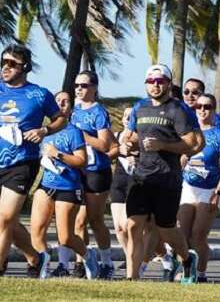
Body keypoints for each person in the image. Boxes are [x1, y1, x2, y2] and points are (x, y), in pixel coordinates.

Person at [0, 44, 65, 278]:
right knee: (2, 220)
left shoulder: (39, 94)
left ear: (25, 67)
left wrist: (44, 130)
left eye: (12, 63)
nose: (5, 67)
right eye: (3, 62)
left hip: (24, 161)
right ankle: (36, 257)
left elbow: (61, 119)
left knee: (7, 218)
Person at [120, 63, 202, 283]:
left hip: (167, 177)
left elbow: (191, 144)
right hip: (141, 175)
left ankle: (186, 259)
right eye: (151, 81)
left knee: (164, 228)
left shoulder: (178, 109)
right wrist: (127, 145)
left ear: (168, 83)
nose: (155, 85)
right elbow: (130, 136)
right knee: (133, 225)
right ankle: (132, 278)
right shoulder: (139, 107)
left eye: (160, 81)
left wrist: (162, 145)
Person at [29, 91, 100, 279]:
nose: (61, 104)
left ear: (70, 108)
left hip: (68, 187)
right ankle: (42, 270)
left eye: (66, 102)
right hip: (46, 185)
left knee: (65, 238)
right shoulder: (42, 131)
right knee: (36, 231)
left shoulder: (74, 132)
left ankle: (87, 255)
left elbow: (82, 161)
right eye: (57, 101)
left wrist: (57, 154)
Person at [179, 93, 220, 283]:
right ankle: (186, 272)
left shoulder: (219, 134)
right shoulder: (188, 131)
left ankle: (201, 274)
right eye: (198, 106)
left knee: (197, 236)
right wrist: (181, 160)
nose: (202, 110)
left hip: (210, 188)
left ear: (213, 109)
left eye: (207, 107)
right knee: (182, 236)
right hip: (188, 186)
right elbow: (175, 157)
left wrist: (217, 193)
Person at [70, 71, 116, 279]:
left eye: (84, 85)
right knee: (78, 221)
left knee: (96, 219)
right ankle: (81, 263)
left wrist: (83, 137)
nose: (79, 89)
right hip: (78, 170)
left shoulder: (99, 112)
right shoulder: (75, 109)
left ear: (95, 88)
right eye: (77, 85)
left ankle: (107, 262)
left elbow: (105, 144)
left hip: (97, 171)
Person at [110, 106, 134, 273]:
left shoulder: (140, 137)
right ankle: (129, 257)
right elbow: (107, 154)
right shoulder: (117, 136)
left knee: (127, 225)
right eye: (125, 115)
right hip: (118, 182)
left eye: (131, 116)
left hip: (135, 182)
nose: (127, 118)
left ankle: (135, 257)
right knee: (118, 228)